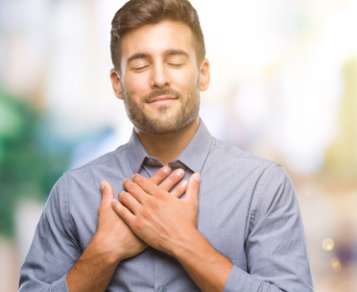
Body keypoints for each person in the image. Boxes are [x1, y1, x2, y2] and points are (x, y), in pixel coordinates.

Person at [19, 0, 313, 291]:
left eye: (175, 61)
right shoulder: (74, 194)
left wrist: (184, 241)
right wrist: (103, 254)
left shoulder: (262, 187)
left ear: (203, 73)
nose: (159, 78)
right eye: (140, 64)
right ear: (117, 83)